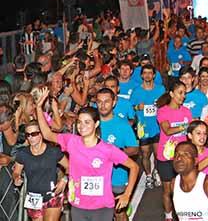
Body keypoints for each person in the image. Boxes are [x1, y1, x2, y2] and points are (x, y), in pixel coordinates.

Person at [35, 87, 139, 221]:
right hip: (78, 205)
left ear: (96, 124)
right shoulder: (71, 141)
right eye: (79, 122)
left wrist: (127, 195)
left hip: (102, 207)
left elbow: (134, 167)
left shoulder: (108, 149)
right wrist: (39, 108)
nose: (81, 126)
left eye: (87, 122)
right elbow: (48, 134)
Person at [95, 88, 139, 221]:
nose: (103, 105)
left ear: (114, 102)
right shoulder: (90, 123)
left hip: (117, 178)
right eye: (99, 102)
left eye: (106, 101)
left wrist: (117, 153)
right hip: (95, 178)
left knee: (119, 213)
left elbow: (134, 149)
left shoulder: (123, 125)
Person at [13, 121, 69, 221]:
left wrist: (64, 180)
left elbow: (69, 166)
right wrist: (16, 178)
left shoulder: (53, 151)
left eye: (34, 134)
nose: (30, 137)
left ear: (41, 134)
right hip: (34, 198)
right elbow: (16, 172)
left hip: (53, 195)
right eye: (28, 135)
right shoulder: (23, 154)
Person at [155, 81, 192, 221]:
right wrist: (186, 125)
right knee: (168, 190)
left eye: (184, 93)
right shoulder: (163, 111)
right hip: (166, 157)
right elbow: (167, 130)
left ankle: (182, 215)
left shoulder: (186, 111)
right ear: (171, 94)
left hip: (183, 157)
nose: (183, 96)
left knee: (181, 188)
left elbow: (190, 133)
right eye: (180, 93)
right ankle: (168, 215)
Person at [129, 63, 165, 189]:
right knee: (145, 153)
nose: (148, 75)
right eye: (145, 73)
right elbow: (130, 108)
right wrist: (137, 107)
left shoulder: (160, 89)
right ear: (142, 75)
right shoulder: (136, 91)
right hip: (143, 128)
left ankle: (156, 171)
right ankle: (148, 175)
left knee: (157, 153)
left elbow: (165, 105)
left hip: (157, 126)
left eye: (150, 73)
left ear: (154, 75)